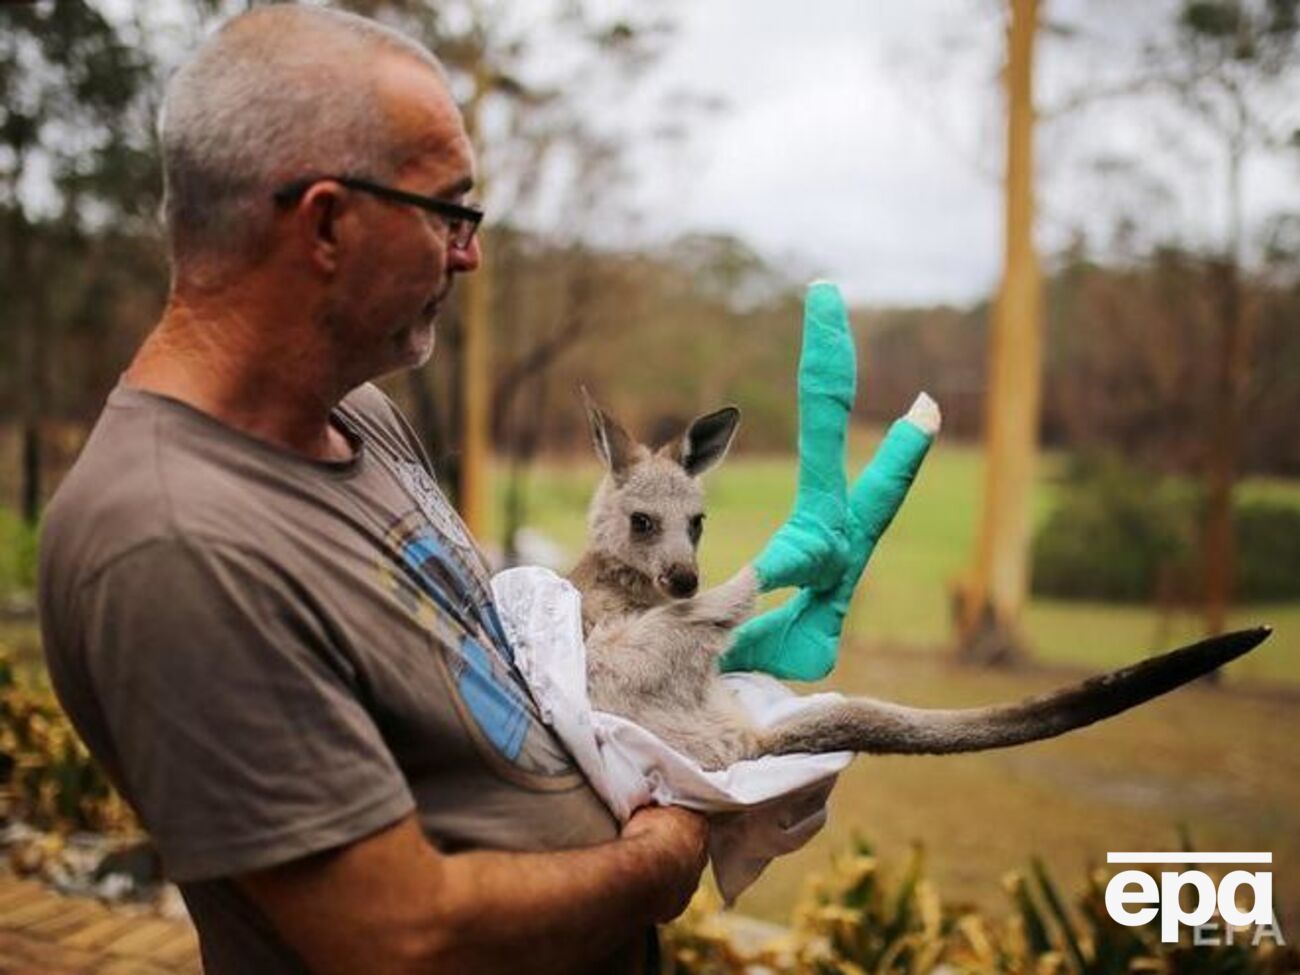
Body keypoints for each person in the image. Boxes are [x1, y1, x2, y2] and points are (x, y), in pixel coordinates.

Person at [37, 6, 706, 973]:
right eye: (448, 210)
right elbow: (395, 932)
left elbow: (487, 673)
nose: (468, 252)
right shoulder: (174, 540)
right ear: (326, 222)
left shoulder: (361, 415)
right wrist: (658, 858)